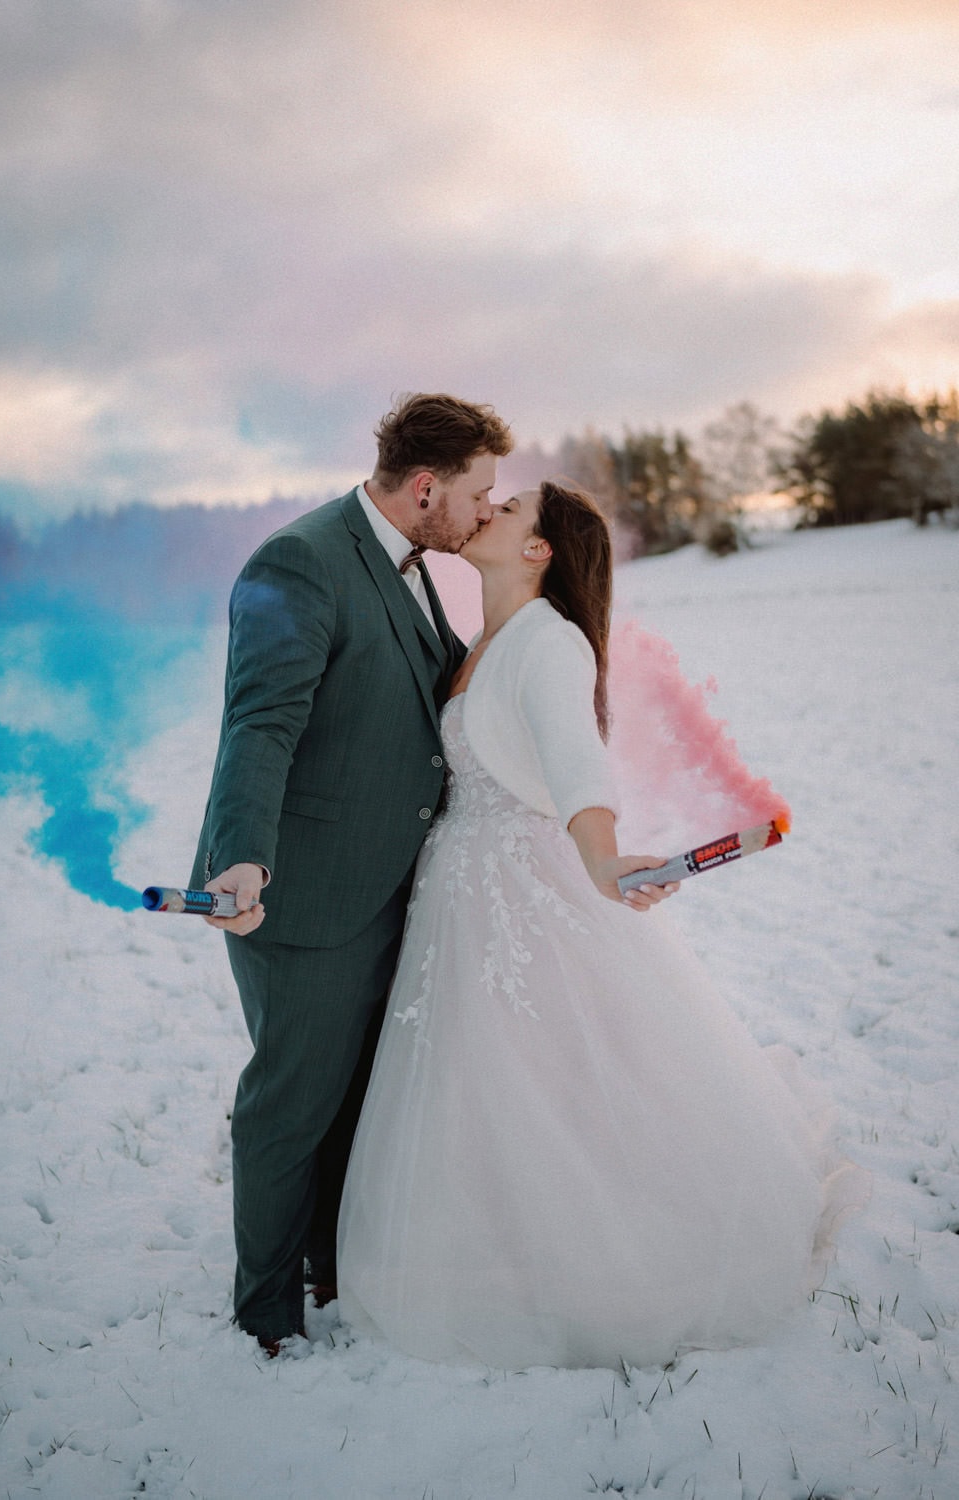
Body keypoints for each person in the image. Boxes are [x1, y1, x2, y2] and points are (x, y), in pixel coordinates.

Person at [336, 479, 863, 1372]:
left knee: (545, 1072)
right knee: (483, 1076)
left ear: (538, 549)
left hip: (516, 881)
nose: (487, 510)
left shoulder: (550, 641)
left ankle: (599, 1252)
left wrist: (601, 855)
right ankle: (499, 1241)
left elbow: (579, 765)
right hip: (461, 884)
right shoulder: (484, 638)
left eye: (508, 509)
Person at [191, 392, 514, 1355]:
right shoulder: (299, 560)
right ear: (426, 488)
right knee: (291, 1107)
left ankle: (330, 1267)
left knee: (357, 1096)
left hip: (389, 881)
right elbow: (260, 722)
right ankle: (265, 1317)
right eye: (478, 494)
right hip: (302, 890)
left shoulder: (411, 561)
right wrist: (241, 858)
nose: (486, 512)